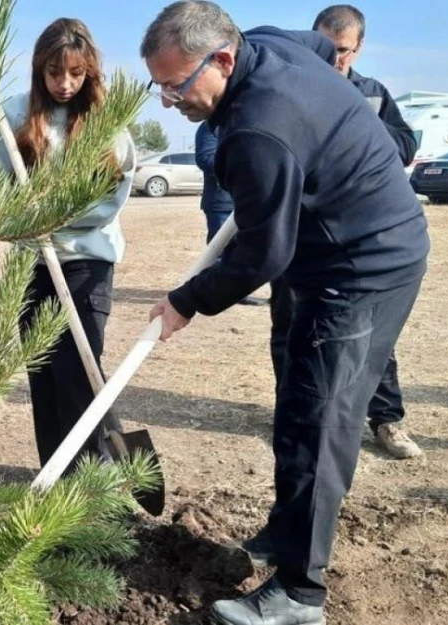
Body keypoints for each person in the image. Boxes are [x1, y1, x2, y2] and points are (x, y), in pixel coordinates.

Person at [140, 2, 430, 623]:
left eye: (176, 84)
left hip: (364, 264)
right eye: (157, 84)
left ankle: (300, 594)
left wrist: (186, 302)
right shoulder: (271, 41)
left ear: (222, 57)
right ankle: (286, 532)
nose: (167, 100)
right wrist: (328, 121)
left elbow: (263, 253)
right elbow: (326, 52)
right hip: (341, 249)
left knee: (321, 418)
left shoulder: (257, 132)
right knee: (300, 400)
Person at [266, 4, 421, 460]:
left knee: (371, 333)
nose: (333, 60)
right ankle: (292, 407)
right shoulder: (287, 89)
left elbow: (406, 146)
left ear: (359, 48)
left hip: (356, 239)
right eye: (324, 48)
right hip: (297, 234)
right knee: (289, 325)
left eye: (343, 52)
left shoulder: (371, 94)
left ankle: (386, 419)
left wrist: (354, 120)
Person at [0, 17, 136, 470]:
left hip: (86, 267)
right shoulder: (13, 116)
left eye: (76, 74)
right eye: (55, 73)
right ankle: (53, 474)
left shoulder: (107, 126)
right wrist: (20, 219)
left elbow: (109, 202)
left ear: (90, 72)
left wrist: (51, 217)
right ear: (40, 70)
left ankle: (88, 481)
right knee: (44, 375)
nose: (65, 84)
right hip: (32, 265)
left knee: (78, 375)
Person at [195, 122, 265, 306]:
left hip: (244, 201)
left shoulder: (244, 123)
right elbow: (205, 158)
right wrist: (240, 163)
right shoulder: (210, 127)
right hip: (220, 202)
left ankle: (237, 292)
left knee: (244, 249)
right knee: (219, 250)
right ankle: (215, 293)